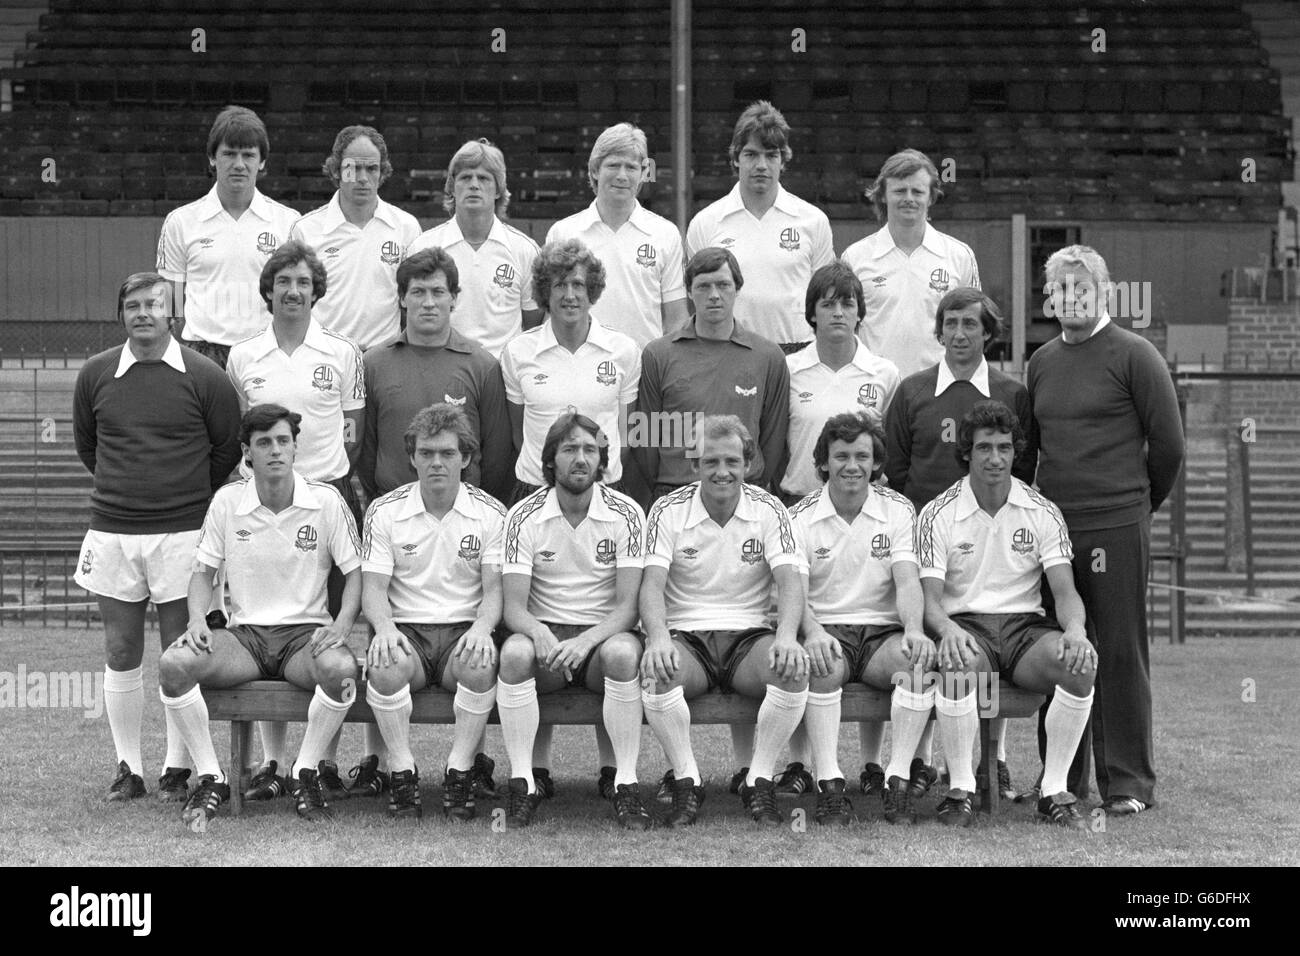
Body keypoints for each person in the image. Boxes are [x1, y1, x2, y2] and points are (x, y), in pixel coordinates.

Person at [73, 272, 242, 803]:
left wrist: (181, 496)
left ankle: (176, 768)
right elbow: (89, 447)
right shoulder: (96, 373)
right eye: (133, 305)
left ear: (173, 312)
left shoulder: (205, 375)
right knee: (121, 649)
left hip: (183, 533)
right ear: (120, 313)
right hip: (113, 532)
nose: (144, 312)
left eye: (154, 304)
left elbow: (225, 449)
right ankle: (128, 768)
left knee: (178, 652)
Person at [1027, 245, 1184, 816]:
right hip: (1057, 533)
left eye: (1082, 289)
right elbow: (1030, 451)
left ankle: (1128, 784)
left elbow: (1168, 446)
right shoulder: (1041, 362)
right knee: (1063, 650)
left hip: (1117, 525)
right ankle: (1061, 781)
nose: (1071, 298)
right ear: (1051, 297)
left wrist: (1136, 508)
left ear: (1104, 295)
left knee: (1116, 650)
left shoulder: (1136, 355)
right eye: (1062, 289)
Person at [157, 404, 362, 828]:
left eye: (283, 441)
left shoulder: (326, 500)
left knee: (343, 672)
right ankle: (213, 778)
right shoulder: (228, 501)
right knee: (173, 665)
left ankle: (305, 773)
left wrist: (341, 625)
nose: (275, 450)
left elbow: (355, 575)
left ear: (295, 448)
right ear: (248, 453)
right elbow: (201, 573)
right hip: (245, 637)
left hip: (305, 636)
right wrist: (197, 619)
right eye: (263, 442)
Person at [882, 286, 1036, 799]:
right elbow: (899, 471)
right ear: (939, 330)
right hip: (930, 543)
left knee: (986, 641)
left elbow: (1023, 467)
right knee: (934, 645)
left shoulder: (1012, 393)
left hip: (991, 539)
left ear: (988, 332)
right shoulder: (912, 391)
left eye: (971, 324)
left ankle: (994, 758)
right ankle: (924, 761)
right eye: (950, 323)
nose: (959, 333)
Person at [225, 240, 365, 800]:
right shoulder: (242, 356)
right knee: (267, 617)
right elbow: (241, 430)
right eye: (283, 281)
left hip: (325, 498)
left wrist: (325, 482)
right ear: (268, 290)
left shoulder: (343, 352)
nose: (293, 290)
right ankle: (272, 763)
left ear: (316, 290)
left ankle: (322, 760)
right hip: (261, 505)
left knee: (324, 627)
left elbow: (353, 428)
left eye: (303, 281)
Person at [917, 400, 1095, 829]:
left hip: (1024, 631)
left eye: (1003, 448)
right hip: (967, 625)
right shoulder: (937, 513)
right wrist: (945, 630)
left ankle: (1053, 790)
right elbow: (929, 599)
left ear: (1016, 451)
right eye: (983, 448)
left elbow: (1065, 591)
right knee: (957, 663)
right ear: (967, 453)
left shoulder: (1042, 510)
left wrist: (1075, 629)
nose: (995, 458)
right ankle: (960, 788)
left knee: (1079, 666)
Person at [640, 415, 808, 827]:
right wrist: (658, 637)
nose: (722, 471)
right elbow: (650, 586)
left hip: (749, 636)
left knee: (792, 670)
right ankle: (687, 780)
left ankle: (759, 780)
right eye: (711, 461)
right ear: (694, 464)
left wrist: (787, 635)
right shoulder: (667, 509)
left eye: (732, 461)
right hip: (687, 636)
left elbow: (790, 583)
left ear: (748, 464)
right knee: (655, 675)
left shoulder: (769, 508)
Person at [497, 413, 651, 829]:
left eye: (589, 450)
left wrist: (585, 642)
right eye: (569, 449)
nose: (580, 458)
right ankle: (523, 783)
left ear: (602, 459)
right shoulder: (522, 516)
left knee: (622, 653)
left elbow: (629, 608)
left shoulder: (628, 513)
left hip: (603, 639)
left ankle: (626, 784)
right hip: (545, 640)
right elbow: (513, 608)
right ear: (550, 461)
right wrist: (540, 633)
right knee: (513, 653)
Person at [360, 404, 506, 820]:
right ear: (412, 457)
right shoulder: (385, 511)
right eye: (426, 453)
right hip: (406, 630)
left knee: (479, 665)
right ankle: (402, 773)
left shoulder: (491, 513)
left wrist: (482, 627)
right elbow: (373, 589)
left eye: (446, 453)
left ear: (466, 457)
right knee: (385, 665)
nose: (436, 462)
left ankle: (459, 772)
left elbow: (494, 590)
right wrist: (384, 627)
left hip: (464, 628)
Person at [787, 413, 930, 825]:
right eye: (842, 455)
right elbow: (792, 588)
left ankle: (897, 780)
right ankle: (829, 783)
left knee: (917, 665)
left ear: (875, 462)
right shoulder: (798, 516)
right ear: (824, 462)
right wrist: (811, 632)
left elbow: (906, 582)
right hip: (826, 629)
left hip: (882, 632)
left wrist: (915, 630)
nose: (852, 465)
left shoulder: (899, 509)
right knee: (821, 666)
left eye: (862, 456)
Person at [358, 247, 514, 504]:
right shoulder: (373, 364)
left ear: (453, 298)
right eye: (418, 292)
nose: (428, 303)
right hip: (392, 510)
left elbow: (497, 457)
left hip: (464, 511)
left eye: (438, 292)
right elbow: (366, 451)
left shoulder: (483, 366)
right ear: (402, 298)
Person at [636, 247, 789, 499]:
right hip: (675, 491)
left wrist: (753, 481)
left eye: (723, 285)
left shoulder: (769, 357)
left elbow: (773, 439)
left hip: (746, 489)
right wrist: (672, 482)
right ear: (688, 291)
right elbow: (644, 437)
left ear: (738, 289)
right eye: (703, 286)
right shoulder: (657, 354)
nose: (714, 295)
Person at [156, 105, 300, 368]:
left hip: (266, 352)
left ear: (263, 161)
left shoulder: (289, 222)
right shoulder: (180, 222)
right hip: (201, 354)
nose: (239, 165)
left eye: (248, 155)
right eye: (229, 154)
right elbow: (171, 301)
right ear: (212, 158)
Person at [686, 101, 835, 353]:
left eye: (771, 155)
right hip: (729, 350)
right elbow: (698, 299)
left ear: (783, 160)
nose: (761, 165)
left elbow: (826, 300)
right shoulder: (706, 223)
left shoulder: (814, 221)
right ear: (736, 159)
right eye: (751, 154)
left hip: (798, 352)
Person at [500, 238, 640, 502]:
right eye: (560, 285)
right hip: (535, 490)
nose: (570, 295)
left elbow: (626, 435)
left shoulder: (625, 351)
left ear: (592, 291)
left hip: (604, 489)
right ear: (545, 292)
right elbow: (519, 435)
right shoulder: (517, 352)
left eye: (578, 284)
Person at [545, 122, 688, 349]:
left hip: (644, 371)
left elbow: (676, 318)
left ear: (643, 173)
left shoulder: (665, 234)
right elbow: (550, 314)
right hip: (581, 369)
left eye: (631, 167)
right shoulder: (563, 233)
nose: (622, 176)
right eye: (613, 165)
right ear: (594, 170)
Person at [841, 149, 979, 378]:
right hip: (873, 390)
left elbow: (974, 327)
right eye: (899, 190)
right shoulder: (855, 258)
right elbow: (844, 331)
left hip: (939, 388)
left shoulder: (959, 256)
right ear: (883, 195)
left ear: (931, 197)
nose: (909, 198)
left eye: (917, 191)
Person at [406, 138, 542, 359]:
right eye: (465, 177)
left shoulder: (524, 250)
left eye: (484, 178)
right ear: (452, 188)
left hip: (502, 374)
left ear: (498, 190)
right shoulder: (423, 247)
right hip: (442, 370)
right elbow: (410, 315)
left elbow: (533, 324)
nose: (474, 185)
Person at [290, 125, 422, 350]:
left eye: (371, 168)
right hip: (324, 356)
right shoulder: (306, 230)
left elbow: (415, 300)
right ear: (336, 170)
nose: (362, 178)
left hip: (385, 358)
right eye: (352, 168)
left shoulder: (406, 227)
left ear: (382, 172)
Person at [780, 261, 899, 502]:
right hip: (800, 500)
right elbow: (774, 443)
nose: (838, 312)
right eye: (827, 304)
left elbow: (894, 449)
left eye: (847, 304)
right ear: (812, 313)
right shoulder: (788, 370)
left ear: (859, 313)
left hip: (866, 503)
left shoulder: (885, 373)